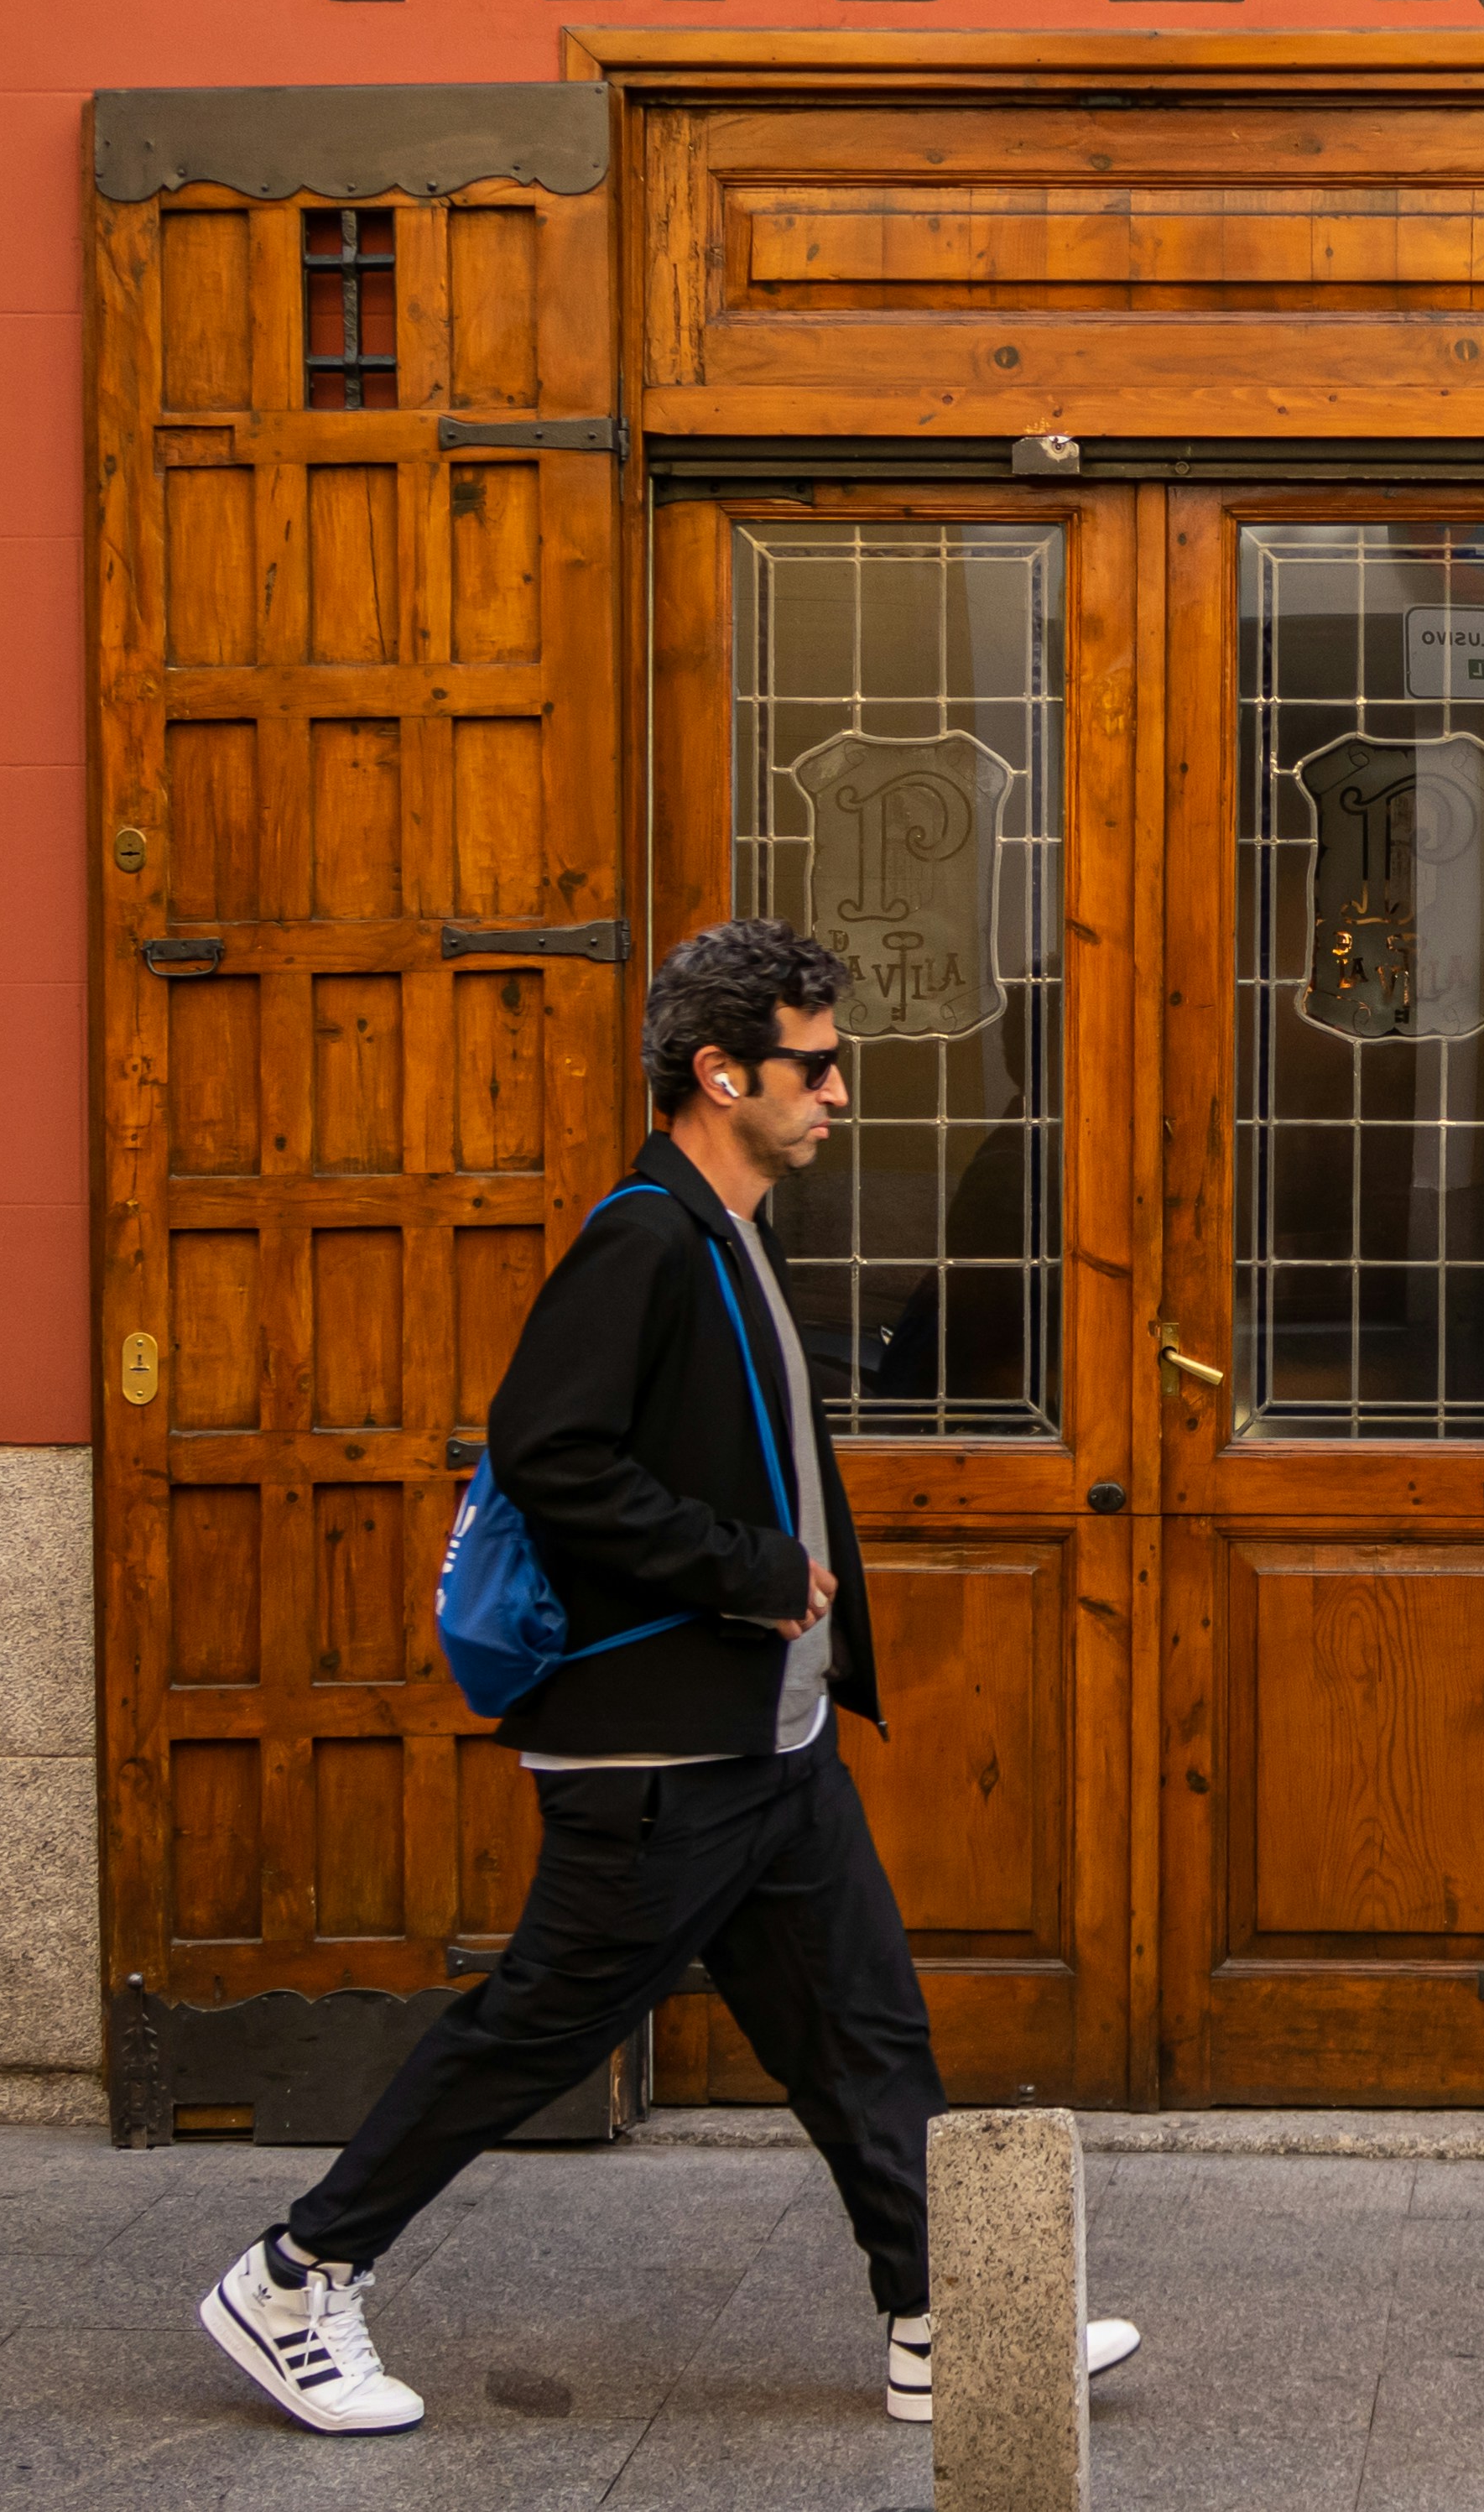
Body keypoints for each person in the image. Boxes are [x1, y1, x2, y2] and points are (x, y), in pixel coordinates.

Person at [198, 919, 1138, 2436]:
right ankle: (295, 2276)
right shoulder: (643, 1235)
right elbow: (549, 1455)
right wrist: (749, 1569)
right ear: (721, 1072)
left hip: (766, 1741)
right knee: (538, 2031)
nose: (840, 1095)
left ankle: (937, 2322)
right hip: (657, 1755)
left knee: (863, 2029)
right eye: (816, 1068)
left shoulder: (734, 1225)